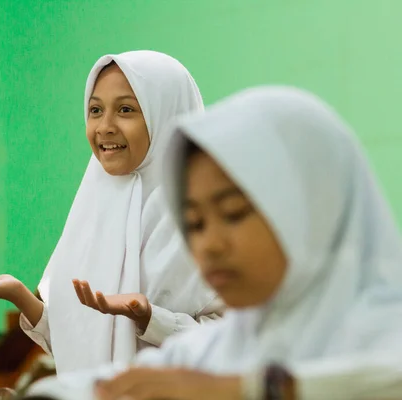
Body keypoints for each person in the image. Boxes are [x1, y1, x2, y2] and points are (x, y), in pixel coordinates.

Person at [25, 86, 402, 399]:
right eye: (194, 224)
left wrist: (251, 390)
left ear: (316, 208)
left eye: (234, 213)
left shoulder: (385, 327)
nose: (208, 246)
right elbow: (114, 386)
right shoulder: (217, 348)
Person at [0, 50, 221, 375]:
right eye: (95, 110)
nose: (104, 127)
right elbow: (75, 344)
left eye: (126, 109)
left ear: (167, 114)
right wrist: (17, 294)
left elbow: (233, 346)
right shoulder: (95, 207)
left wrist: (147, 316)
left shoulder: (206, 219)